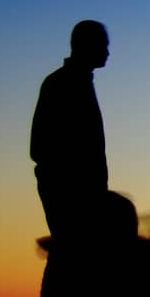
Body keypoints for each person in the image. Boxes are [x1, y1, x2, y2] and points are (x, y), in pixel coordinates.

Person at [30, 20, 110, 244]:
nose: (107, 52)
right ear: (87, 45)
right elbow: (40, 147)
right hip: (71, 194)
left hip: (82, 192)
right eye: (103, 45)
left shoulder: (74, 83)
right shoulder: (61, 84)